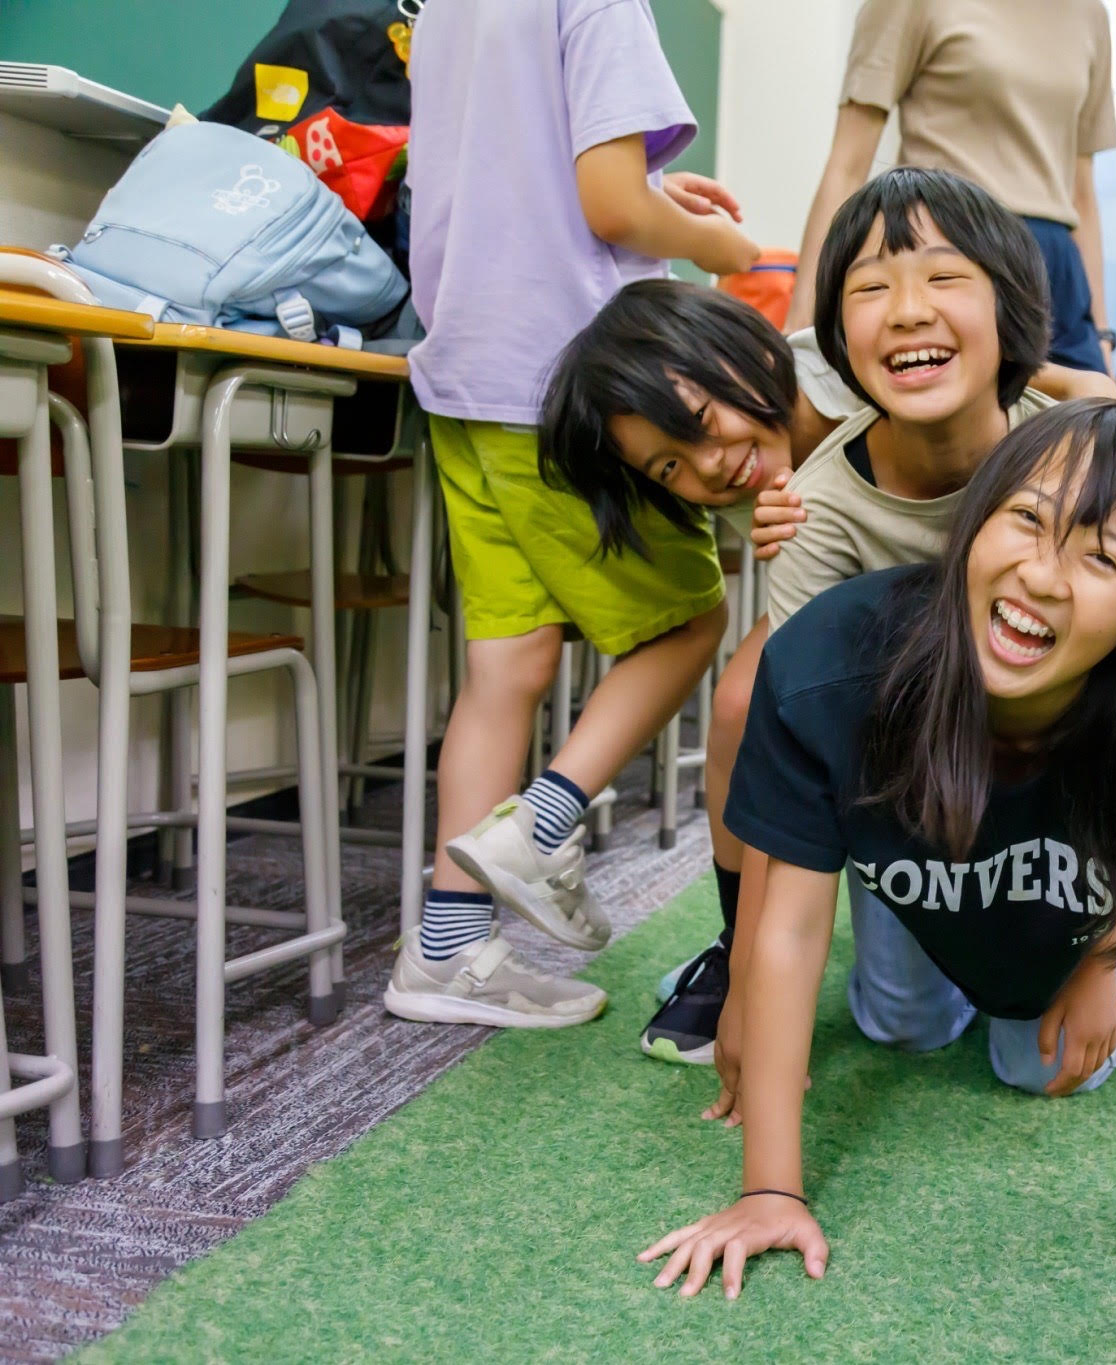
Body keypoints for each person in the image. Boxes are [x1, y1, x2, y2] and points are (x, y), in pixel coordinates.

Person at [643, 168, 1116, 1102]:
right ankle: (736, 942)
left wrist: (1107, 940)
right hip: (936, 775)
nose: (907, 310)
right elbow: (793, 729)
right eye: (870, 289)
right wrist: (759, 972)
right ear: (836, 341)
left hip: (1083, 769)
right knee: (750, 697)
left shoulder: (1077, 448)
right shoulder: (820, 506)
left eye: (944, 279)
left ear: (1011, 315)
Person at [639, 400, 1116, 1300]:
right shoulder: (832, 663)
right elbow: (790, 928)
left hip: (1084, 887)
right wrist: (768, 1190)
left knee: (1040, 1069)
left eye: (1102, 557)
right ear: (973, 521)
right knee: (901, 1026)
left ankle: (1105, 943)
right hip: (920, 857)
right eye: (1026, 517)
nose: (1041, 573)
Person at [387, 0, 762, 1028]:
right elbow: (608, 211)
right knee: (687, 618)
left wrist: (650, 198)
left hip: (466, 367)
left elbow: (523, 175)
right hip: (567, 379)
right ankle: (540, 826)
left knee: (505, 667)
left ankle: (446, 952)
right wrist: (713, 241)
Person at [787, 0, 1116, 375]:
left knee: (1092, 420)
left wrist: (1102, 336)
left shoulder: (1088, 13)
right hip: (954, 243)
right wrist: (805, 321)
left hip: (1057, 263)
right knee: (964, 426)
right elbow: (848, 165)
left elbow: (1082, 194)